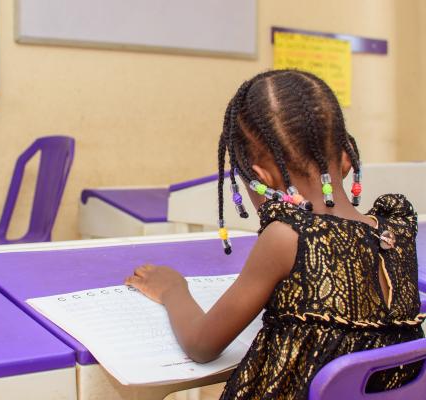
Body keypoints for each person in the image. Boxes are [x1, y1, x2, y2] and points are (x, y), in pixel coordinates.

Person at [125, 69, 425, 399]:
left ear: (263, 178)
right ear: (345, 160)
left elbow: (202, 345)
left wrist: (172, 290)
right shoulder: (396, 232)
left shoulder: (287, 237)